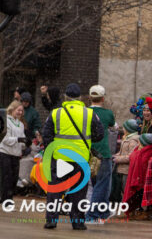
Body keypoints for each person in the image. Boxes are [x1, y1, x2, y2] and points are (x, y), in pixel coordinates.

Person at [41, 83, 104, 230]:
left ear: (65, 97)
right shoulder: (89, 113)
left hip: (60, 157)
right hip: (80, 158)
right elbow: (99, 135)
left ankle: (51, 220)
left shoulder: (56, 113)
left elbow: (47, 135)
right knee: (78, 191)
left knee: (55, 190)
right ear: (80, 97)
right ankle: (77, 222)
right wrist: (87, 142)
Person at [85, 85, 116, 224]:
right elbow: (113, 126)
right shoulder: (108, 113)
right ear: (103, 98)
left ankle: (104, 211)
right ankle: (91, 215)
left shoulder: (84, 112)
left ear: (90, 97)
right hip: (102, 152)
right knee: (101, 184)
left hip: (86, 152)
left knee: (95, 182)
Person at [0, 100, 27, 204]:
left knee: (14, 178)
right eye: (18, 110)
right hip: (4, 151)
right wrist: (18, 140)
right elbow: (5, 139)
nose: (20, 113)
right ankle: (7, 199)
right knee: (7, 176)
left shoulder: (21, 124)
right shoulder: (6, 121)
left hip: (15, 153)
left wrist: (25, 143)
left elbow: (22, 140)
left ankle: (5, 197)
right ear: (12, 109)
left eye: (22, 111)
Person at [122, 132, 152, 219]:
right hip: (139, 180)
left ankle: (143, 212)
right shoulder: (140, 151)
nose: (138, 143)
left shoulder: (144, 153)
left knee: (140, 196)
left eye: (140, 142)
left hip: (141, 181)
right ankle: (138, 212)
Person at [114, 119, 141, 200]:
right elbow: (122, 152)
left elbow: (131, 157)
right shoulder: (127, 138)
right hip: (122, 169)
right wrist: (114, 156)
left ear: (129, 129)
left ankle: (129, 207)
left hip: (127, 170)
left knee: (126, 190)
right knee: (123, 189)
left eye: (124, 128)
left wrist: (117, 159)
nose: (123, 129)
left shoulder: (133, 140)